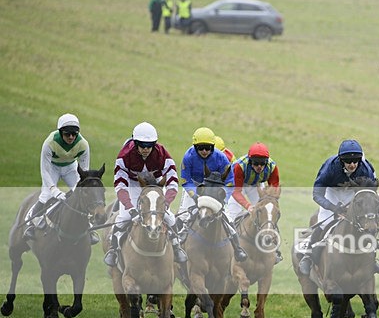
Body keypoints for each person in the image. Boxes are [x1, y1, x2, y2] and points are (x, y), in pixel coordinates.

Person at [103, 122, 187, 270]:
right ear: (135, 144)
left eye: (149, 146)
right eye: (142, 146)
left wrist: (166, 202)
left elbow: (173, 181)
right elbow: (120, 185)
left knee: (169, 217)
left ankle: (176, 245)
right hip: (133, 186)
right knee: (123, 218)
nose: (146, 149)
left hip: (154, 186)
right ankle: (113, 248)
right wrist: (130, 208)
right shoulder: (124, 156)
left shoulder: (162, 154)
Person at [298, 139, 379, 275]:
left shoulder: (366, 169)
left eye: (356, 161)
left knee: (366, 223)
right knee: (324, 221)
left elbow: (371, 194)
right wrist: (333, 208)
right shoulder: (329, 168)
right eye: (348, 161)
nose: (352, 164)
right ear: (341, 160)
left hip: (354, 194)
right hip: (332, 192)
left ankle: (372, 259)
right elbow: (317, 194)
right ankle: (307, 256)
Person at [178, 126, 246, 262]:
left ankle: (237, 249)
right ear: (195, 146)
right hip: (195, 186)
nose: (204, 151)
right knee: (184, 215)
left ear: (213, 147)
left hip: (215, 189)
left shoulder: (221, 158)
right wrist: (194, 196)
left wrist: (223, 198)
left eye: (208, 148)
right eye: (201, 147)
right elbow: (185, 180)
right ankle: (177, 246)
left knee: (228, 218)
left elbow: (230, 181)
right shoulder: (188, 157)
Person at [25, 113, 95, 242]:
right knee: (46, 195)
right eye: (67, 134)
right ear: (60, 132)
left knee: (81, 194)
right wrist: (54, 190)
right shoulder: (50, 143)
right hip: (52, 168)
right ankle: (30, 223)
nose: (71, 137)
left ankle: (89, 227)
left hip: (70, 168)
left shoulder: (83, 144)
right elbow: (44, 171)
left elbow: (84, 172)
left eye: (74, 134)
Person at [226, 141, 282, 262]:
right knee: (231, 215)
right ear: (250, 161)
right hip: (237, 186)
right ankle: (229, 248)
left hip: (256, 185)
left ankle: (274, 248)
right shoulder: (239, 166)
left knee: (267, 213)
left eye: (262, 163)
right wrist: (249, 206)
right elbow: (236, 192)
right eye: (256, 163)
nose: (259, 167)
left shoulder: (272, 167)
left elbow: (273, 191)